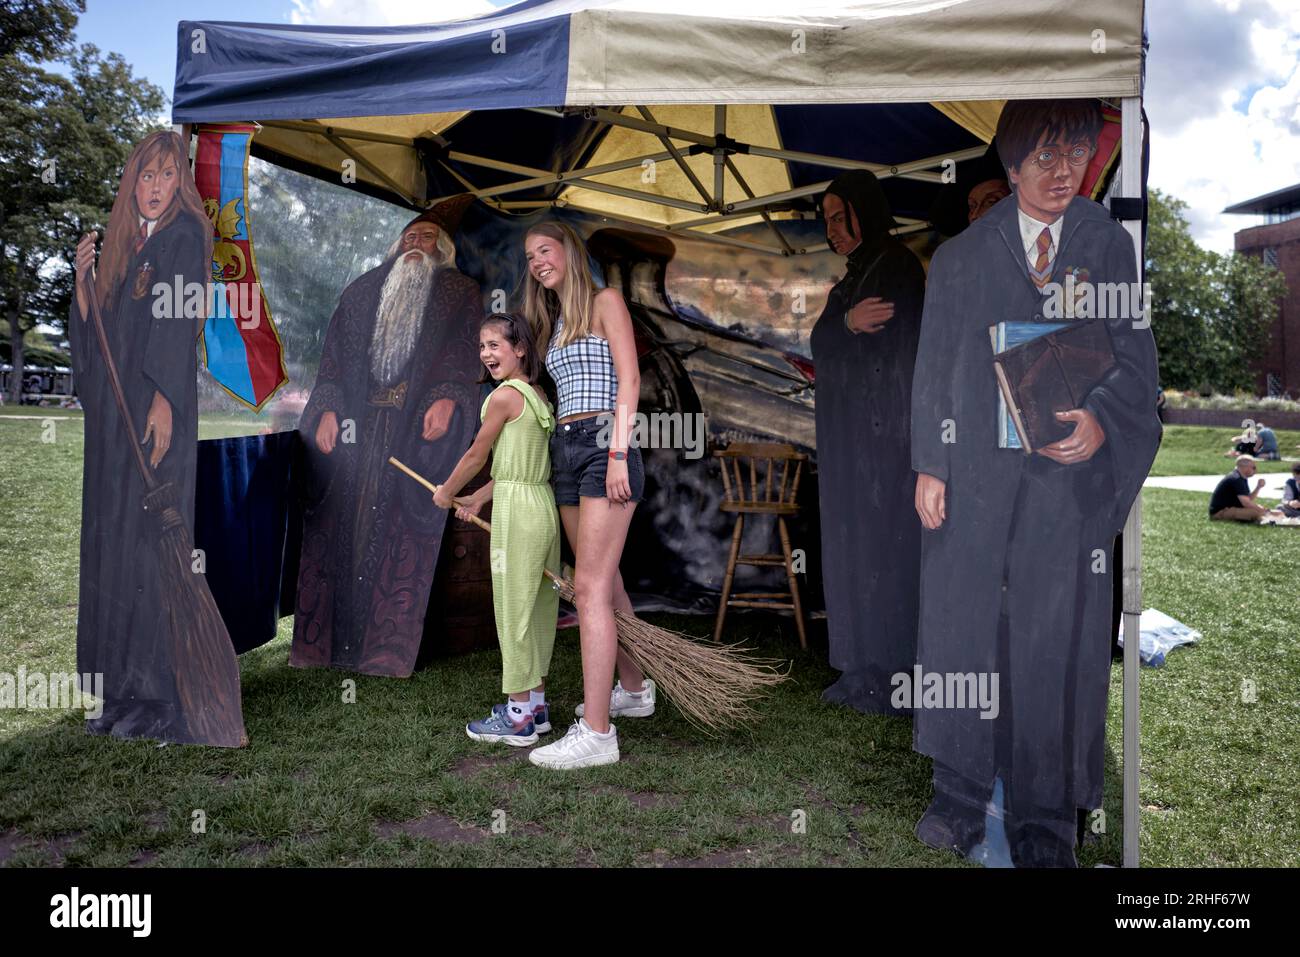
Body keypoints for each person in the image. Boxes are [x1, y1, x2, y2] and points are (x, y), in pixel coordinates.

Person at [910, 99, 1161, 867]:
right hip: (976, 476)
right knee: (961, 630)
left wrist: (1100, 421)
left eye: (1076, 154)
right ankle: (956, 796)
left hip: (1062, 485)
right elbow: (934, 370)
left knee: (1054, 642)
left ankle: (1046, 819)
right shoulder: (958, 258)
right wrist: (930, 461)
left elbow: (1135, 359)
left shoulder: (1106, 244)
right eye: (1046, 156)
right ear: (1011, 164)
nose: (1064, 170)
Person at [69, 130, 226, 743]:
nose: (155, 188)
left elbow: (179, 323)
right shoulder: (127, 246)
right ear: (132, 181)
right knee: (111, 543)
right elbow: (98, 343)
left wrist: (164, 399)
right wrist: (84, 288)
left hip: (153, 416)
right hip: (112, 425)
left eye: (167, 176)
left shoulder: (186, 237)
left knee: (147, 549)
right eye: (146, 176)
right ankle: (116, 692)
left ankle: (157, 697)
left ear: (179, 182)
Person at [291, 195, 482, 677]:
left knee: (403, 526)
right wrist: (329, 409)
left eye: (427, 238)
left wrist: (447, 396)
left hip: (412, 430)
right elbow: (331, 362)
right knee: (343, 525)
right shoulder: (360, 292)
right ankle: (332, 644)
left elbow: (464, 356)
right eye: (410, 236)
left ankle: (386, 646)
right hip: (357, 432)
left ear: (444, 250)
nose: (416, 243)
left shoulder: (460, 292)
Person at [520, 221, 652, 770]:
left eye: (545, 249)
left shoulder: (606, 300)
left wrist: (619, 451)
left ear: (570, 252)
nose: (536, 261)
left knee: (590, 591)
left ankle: (596, 734)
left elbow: (630, 379)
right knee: (603, 581)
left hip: (604, 443)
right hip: (566, 448)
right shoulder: (554, 324)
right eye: (529, 256)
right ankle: (634, 689)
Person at [811, 170, 926, 714]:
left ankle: (890, 675)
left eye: (840, 216)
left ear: (865, 210)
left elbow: (898, 359)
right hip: (853, 446)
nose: (832, 229)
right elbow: (823, 341)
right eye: (827, 219)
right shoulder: (854, 279)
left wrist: (846, 329)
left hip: (885, 445)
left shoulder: (896, 267)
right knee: (852, 551)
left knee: (884, 553)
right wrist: (847, 326)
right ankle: (859, 668)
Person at [434, 313, 561, 746]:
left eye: (495, 345)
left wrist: (446, 490)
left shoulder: (505, 396)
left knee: (513, 611)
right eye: (482, 346)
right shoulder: (537, 394)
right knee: (538, 609)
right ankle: (537, 708)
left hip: (519, 514)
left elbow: (475, 454)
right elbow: (520, 467)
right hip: (540, 505)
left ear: (520, 348)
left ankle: (519, 718)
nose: (487, 354)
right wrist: (478, 498)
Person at [1209, 455, 1269, 523]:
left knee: (1257, 509)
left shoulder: (1241, 478)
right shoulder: (1236, 479)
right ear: (1245, 467)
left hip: (1230, 509)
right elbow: (1246, 503)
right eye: (1254, 467)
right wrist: (1264, 511)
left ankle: (1264, 519)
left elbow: (1248, 499)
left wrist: (1258, 487)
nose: (1256, 470)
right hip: (1221, 512)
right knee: (1255, 513)